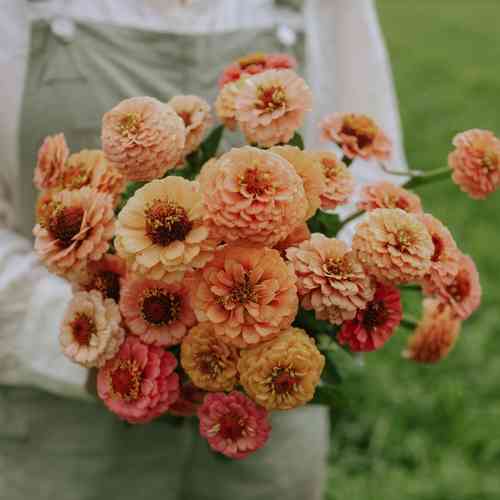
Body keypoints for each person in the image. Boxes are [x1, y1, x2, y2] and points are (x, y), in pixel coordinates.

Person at [0, 1, 406, 499]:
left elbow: (371, 175)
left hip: (269, 408)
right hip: (61, 422)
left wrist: (317, 295)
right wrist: (92, 337)